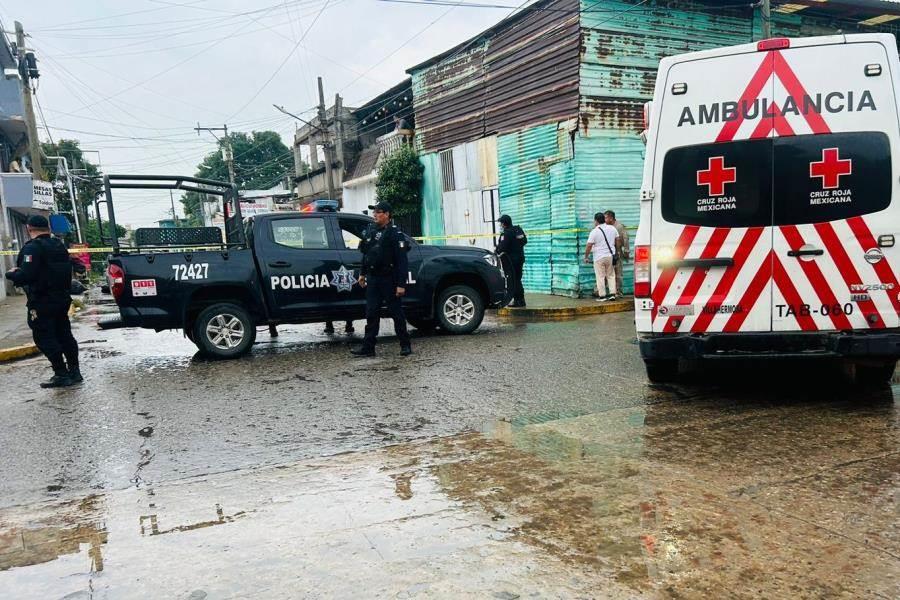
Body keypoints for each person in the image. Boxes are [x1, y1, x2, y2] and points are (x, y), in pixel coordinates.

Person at [5, 215, 81, 388]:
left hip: (42, 300)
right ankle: (75, 372)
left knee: (44, 337)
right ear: (48, 228)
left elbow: (26, 276)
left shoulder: (32, 248)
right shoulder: (58, 245)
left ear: (28, 228)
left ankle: (61, 374)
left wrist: (11, 273)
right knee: (64, 334)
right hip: (62, 298)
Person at [351, 202, 412, 357]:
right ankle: (368, 348)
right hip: (373, 279)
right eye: (374, 212)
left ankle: (405, 345)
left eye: (378, 212)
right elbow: (366, 254)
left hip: (389, 280)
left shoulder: (394, 234)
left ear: (387, 214)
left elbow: (402, 261)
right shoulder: (371, 230)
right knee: (371, 314)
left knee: (396, 314)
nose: (375, 215)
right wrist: (362, 273)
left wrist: (401, 284)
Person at [584, 211, 620, 302]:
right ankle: (612, 294)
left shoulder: (594, 231)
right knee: (611, 275)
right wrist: (617, 251)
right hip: (610, 256)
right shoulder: (612, 228)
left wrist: (586, 256)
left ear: (596, 221)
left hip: (599, 257)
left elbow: (589, 245)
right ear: (604, 219)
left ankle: (602, 296)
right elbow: (617, 240)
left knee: (600, 276)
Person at [495, 214, 527, 307]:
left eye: (501, 223)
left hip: (511, 261)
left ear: (504, 224)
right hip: (520, 259)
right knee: (518, 279)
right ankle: (521, 300)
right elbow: (524, 241)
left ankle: (518, 301)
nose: (501, 225)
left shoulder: (506, 233)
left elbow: (502, 247)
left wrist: (496, 250)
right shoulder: (517, 230)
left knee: (514, 281)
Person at [605, 210, 629, 298]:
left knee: (618, 273)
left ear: (611, 218)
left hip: (617, 253)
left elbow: (626, 239)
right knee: (608, 272)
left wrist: (626, 251)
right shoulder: (607, 227)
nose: (605, 219)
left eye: (606, 217)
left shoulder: (619, 226)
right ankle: (609, 291)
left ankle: (619, 291)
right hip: (608, 253)